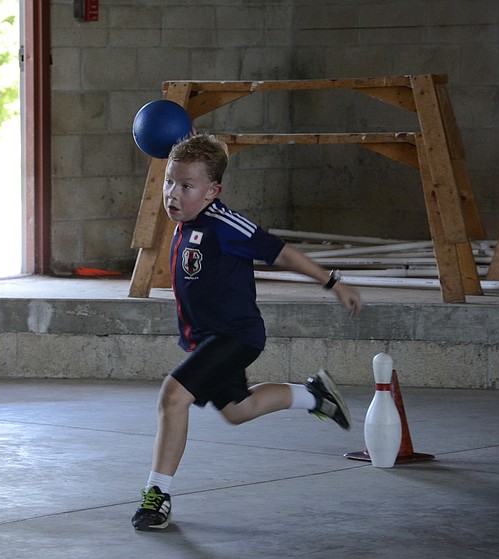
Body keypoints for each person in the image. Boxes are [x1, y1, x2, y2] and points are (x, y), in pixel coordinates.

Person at [131, 133, 363, 532]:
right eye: (170, 181)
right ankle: (315, 396)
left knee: (173, 395)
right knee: (238, 411)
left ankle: (157, 495)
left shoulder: (226, 224)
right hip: (208, 337)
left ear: (212, 191)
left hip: (236, 335)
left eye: (186, 186)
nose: (172, 193)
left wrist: (333, 282)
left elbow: (282, 252)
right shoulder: (186, 222)